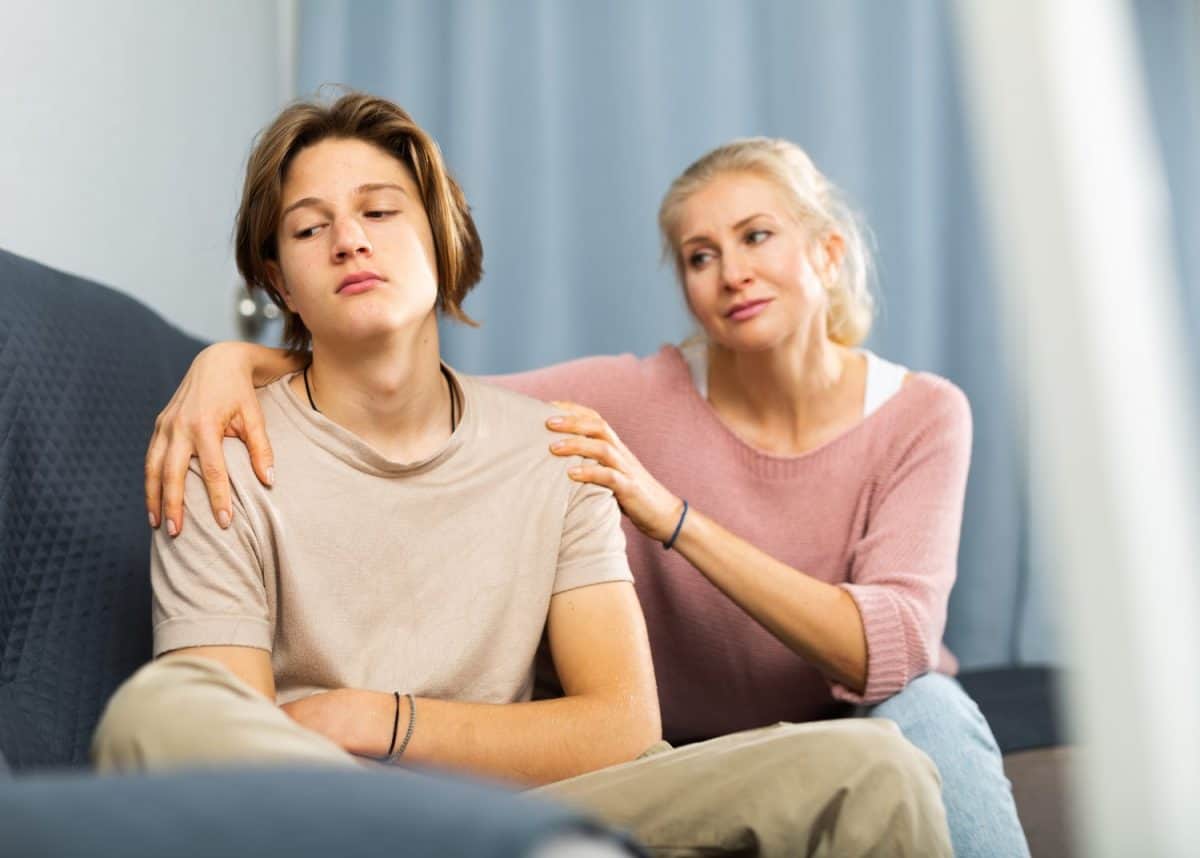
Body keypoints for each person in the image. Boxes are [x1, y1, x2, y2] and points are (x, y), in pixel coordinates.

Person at [93, 92, 951, 857]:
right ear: (281, 280)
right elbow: (230, 746)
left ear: (442, 234)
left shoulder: (561, 444)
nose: (349, 239)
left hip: (533, 815)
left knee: (875, 764)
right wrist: (225, 364)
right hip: (332, 821)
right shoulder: (217, 448)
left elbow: (622, 724)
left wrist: (384, 721)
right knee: (159, 709)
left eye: (382, 212)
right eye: (310, 228)